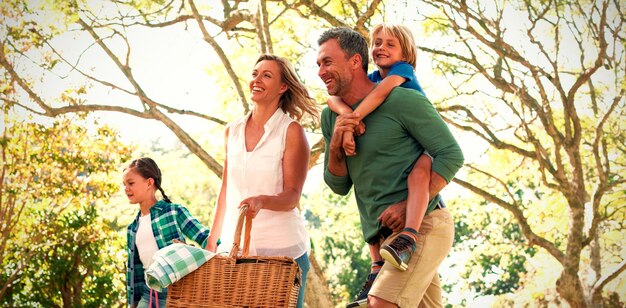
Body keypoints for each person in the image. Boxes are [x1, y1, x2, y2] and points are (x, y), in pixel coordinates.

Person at [317, 27, 464, 308]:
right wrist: (336, 142)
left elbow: (451, 154)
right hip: (386, 240)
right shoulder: (330, 116)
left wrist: (407, 205)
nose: (321, 71)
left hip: (423, 224)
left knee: (380, 303)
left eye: (327, 62)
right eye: (319, 64)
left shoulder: (403, 99)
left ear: (355, 61)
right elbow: (338, 185)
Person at [326, 23, 435, 287]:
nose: (380, 48)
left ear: (406, 52)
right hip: (394, 154)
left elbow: (381, 95)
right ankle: (376, 263)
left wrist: (355, 118)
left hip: (424, 147)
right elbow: (331, 100)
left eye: (390, 44)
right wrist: (346, 121)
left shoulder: (401, 73)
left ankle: (409, 233)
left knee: (418, 177)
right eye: (376, 43)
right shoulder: (373, 77)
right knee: (370, 190)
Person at [206, 54, 319, 308]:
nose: (257, 79)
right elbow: (226, 189)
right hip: (236, 253)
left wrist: (262, 201)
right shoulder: (231, 131)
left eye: (267, 75)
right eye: (255, 73)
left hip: (283, 252)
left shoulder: (291, 131)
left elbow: (292, 196)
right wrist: (212, 242)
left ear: (283, 87)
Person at [124, 157, 214, 308]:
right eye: (124, 184)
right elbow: (135, 272)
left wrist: (188, 250)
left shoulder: (173, 211)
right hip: (149, 293)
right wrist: (132, 304)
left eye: (131, 183)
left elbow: (207, 239)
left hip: (177, 291)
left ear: (149, 183)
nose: (126, 189)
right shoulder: (132, 228)